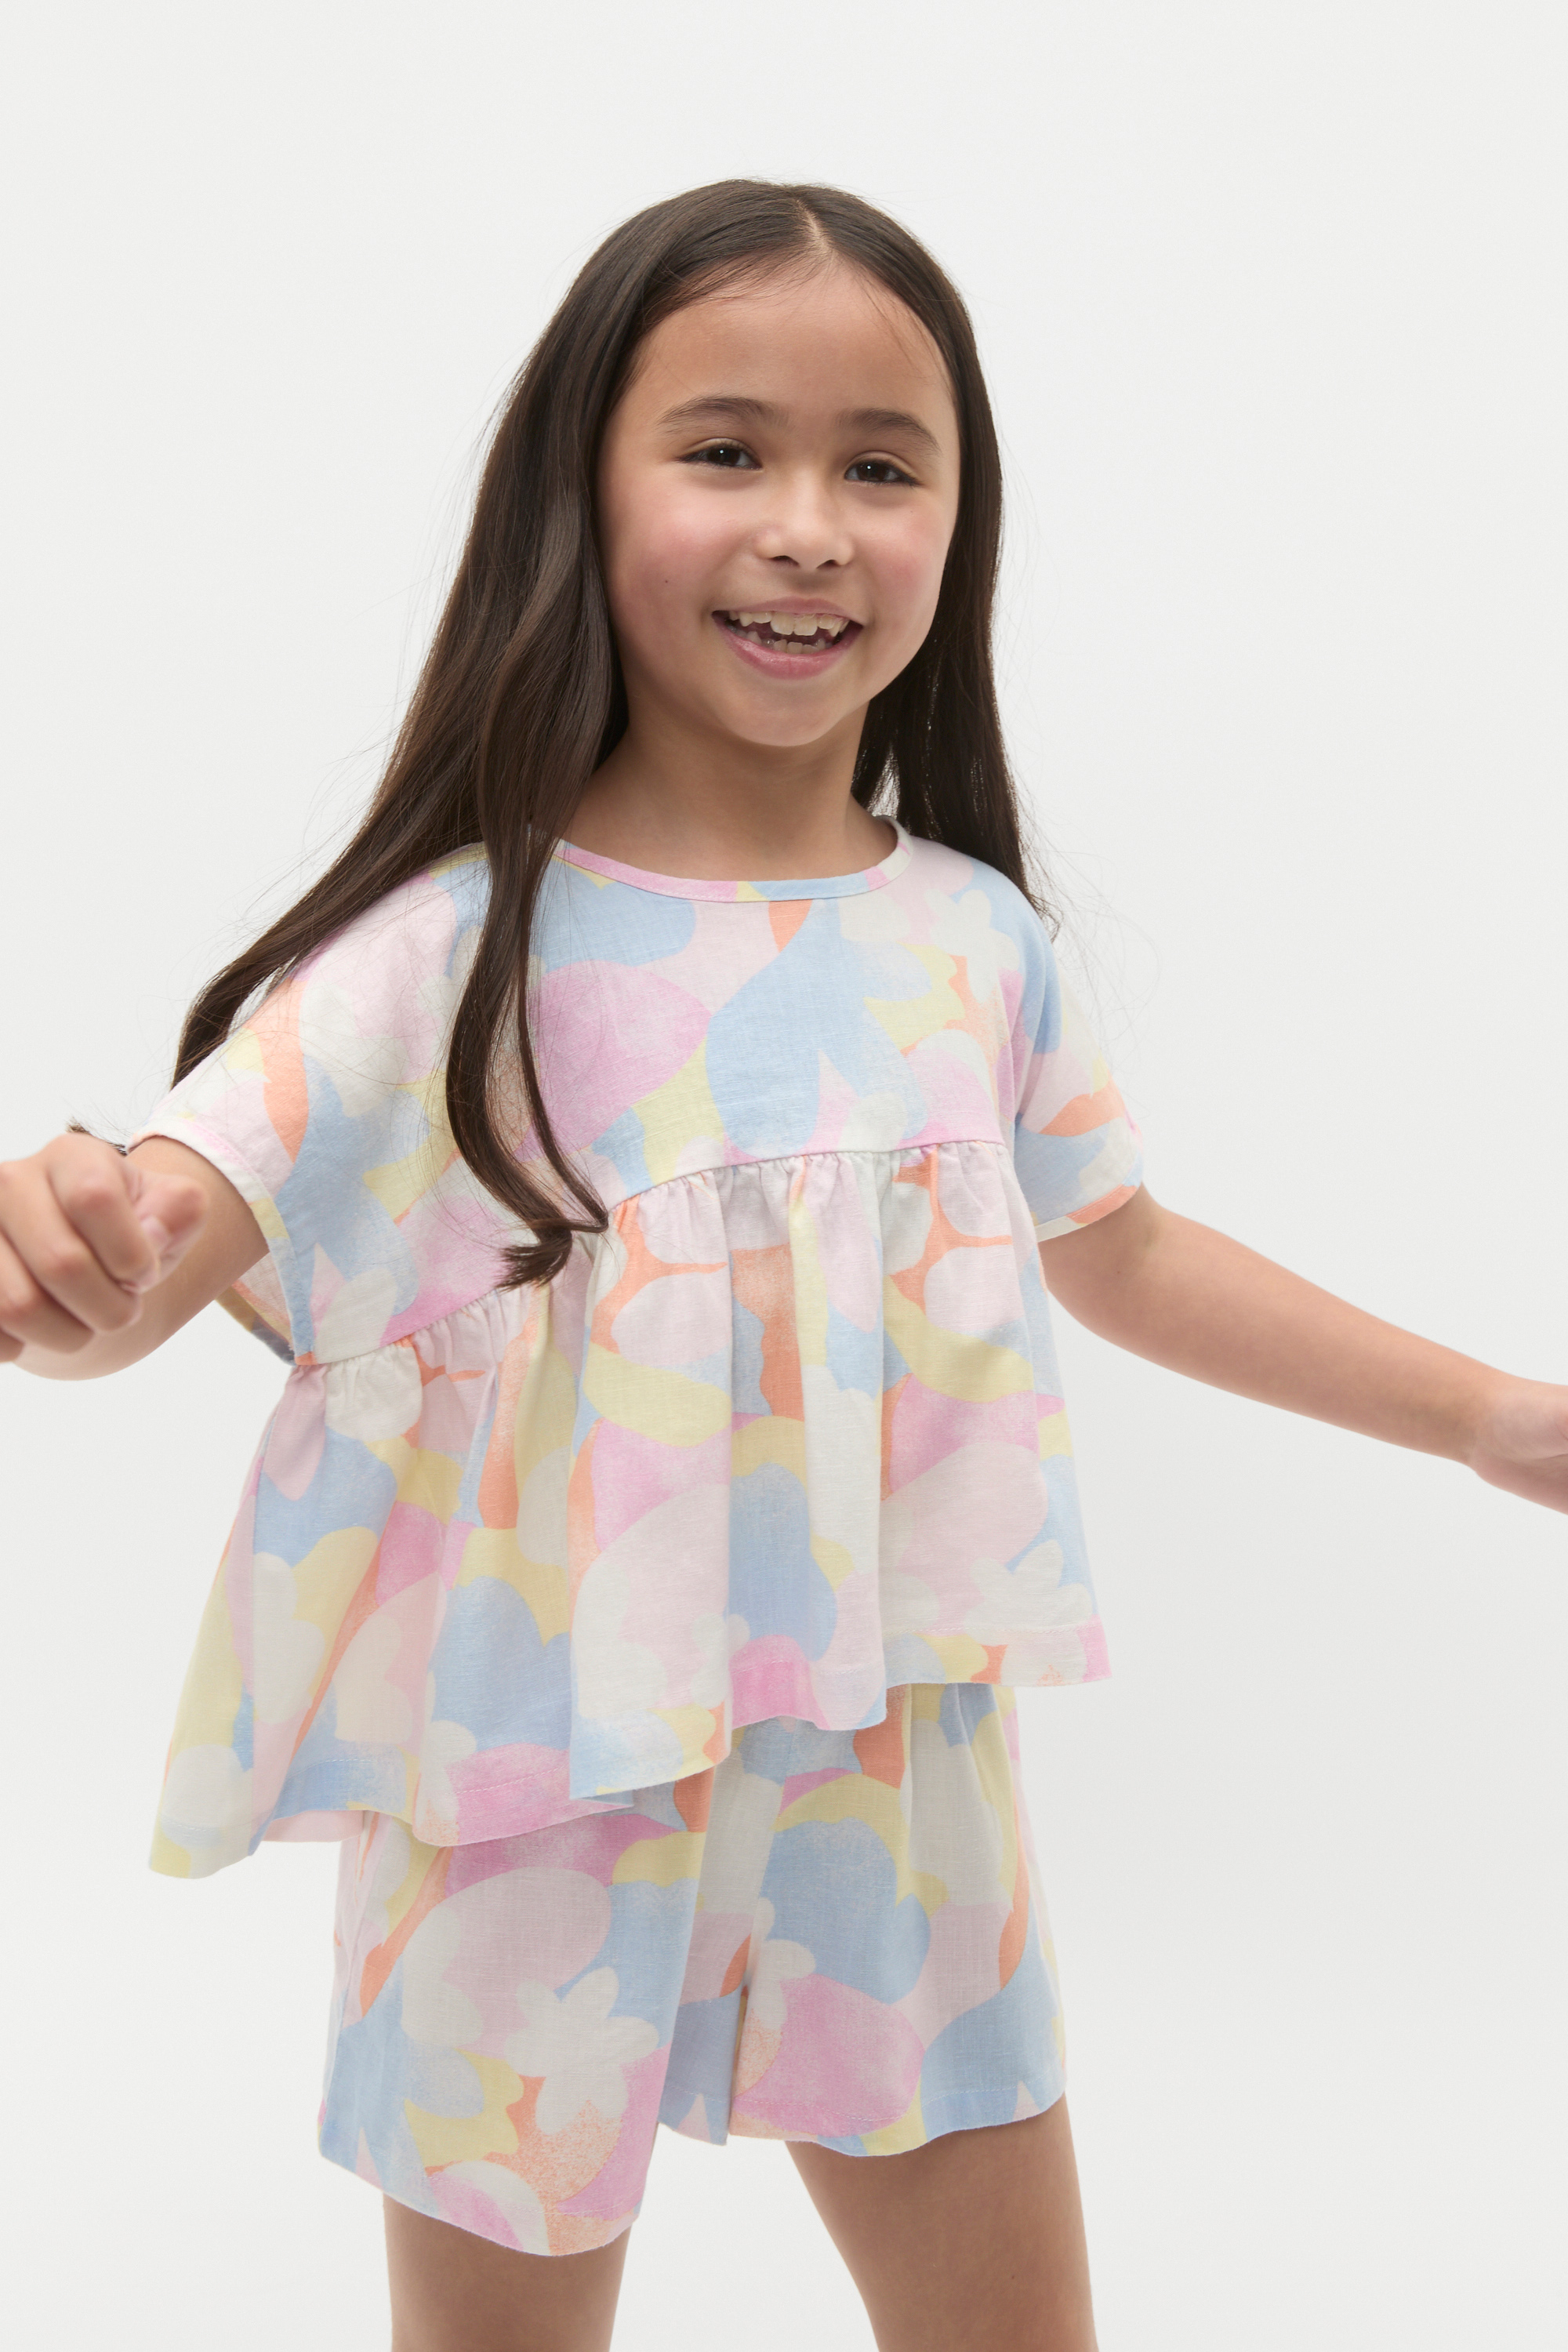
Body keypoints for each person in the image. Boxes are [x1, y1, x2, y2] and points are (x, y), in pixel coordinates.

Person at [2, 180, 1563, 2352]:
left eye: (882, 466)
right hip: (529, 1783)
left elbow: (1121, 1247)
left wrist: (1496, 1418)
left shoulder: (970, 943)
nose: (811, 527)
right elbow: (156, 1254)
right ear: (580, 494)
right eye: (726, 450)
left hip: (886, 1791)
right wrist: (74, 1265)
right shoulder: (444, 956)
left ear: (959, 525)